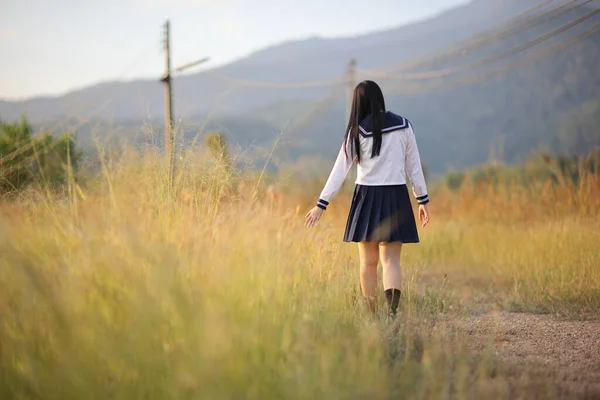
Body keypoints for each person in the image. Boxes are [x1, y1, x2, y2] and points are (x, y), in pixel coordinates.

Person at [305, 80, 430, 316]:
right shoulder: (404, 125)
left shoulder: (356, 131)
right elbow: (414, 167)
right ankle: (392, 316)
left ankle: (371, 317)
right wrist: (422, 200)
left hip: (367, 199)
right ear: (380, 98)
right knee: (391, 261)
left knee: (368, 263)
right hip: (396, 197)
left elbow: (339, 170)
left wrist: (321, 205)